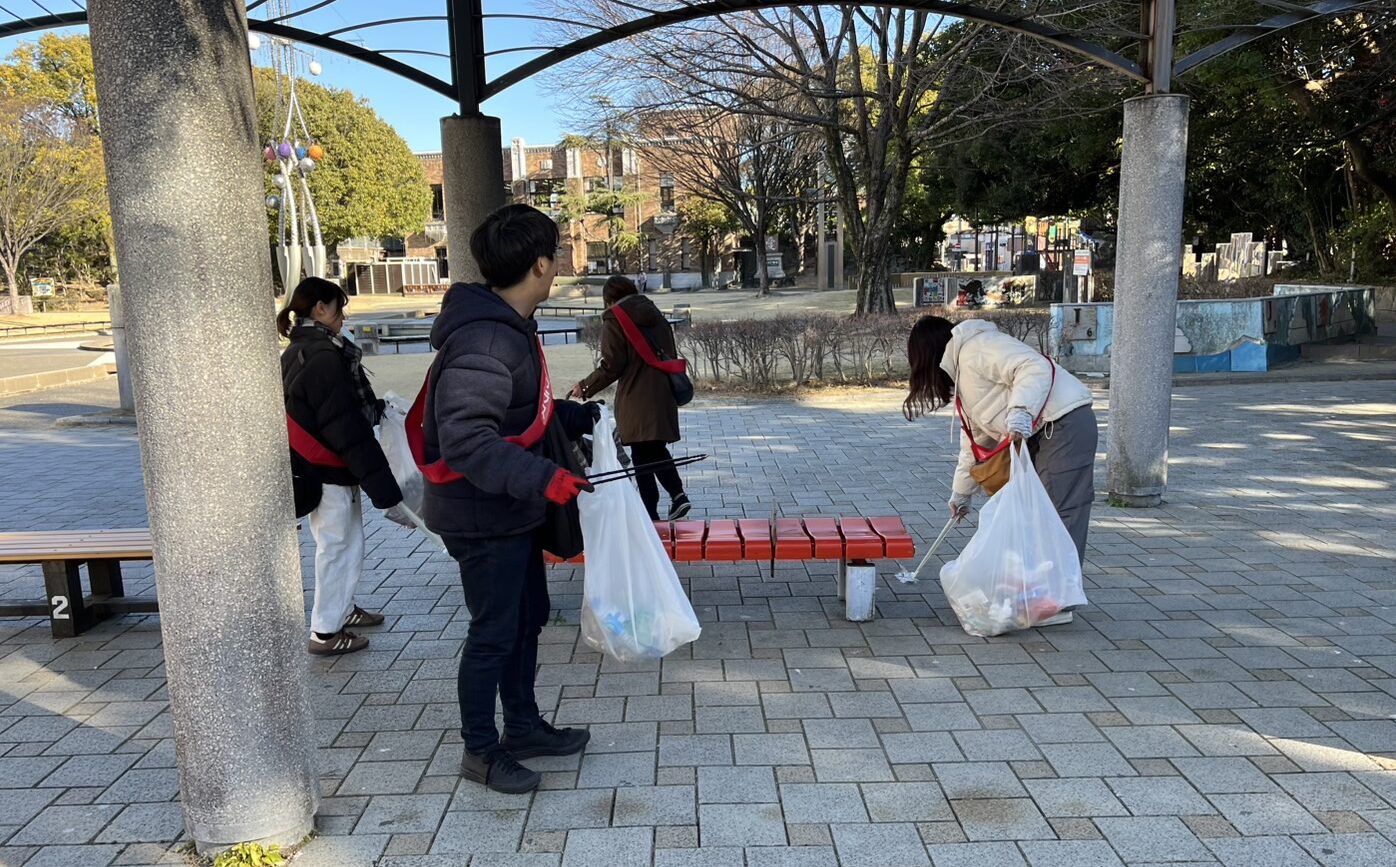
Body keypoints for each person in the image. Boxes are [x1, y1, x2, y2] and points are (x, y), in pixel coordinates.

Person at [420, 204, 598, 794]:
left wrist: (570, 416)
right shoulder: (488, 338)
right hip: (481, 516)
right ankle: (480, 750)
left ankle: (522, 727)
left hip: (509, 508)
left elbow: (514, 412)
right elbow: (467, 439)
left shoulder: (509, 324)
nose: (560, 263)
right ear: (541, 264)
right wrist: (546, 479)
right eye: (559, 252)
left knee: (526, 621)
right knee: (494, 632)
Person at [279, 277, 413, 656]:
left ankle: (341, 610)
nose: (343, 317)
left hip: (315, 464)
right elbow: (346, 427)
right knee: (339, 546)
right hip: (327, 468)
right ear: (319, 308)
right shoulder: (322, 357)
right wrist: (384, 488)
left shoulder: (301, 350)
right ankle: (325, 632)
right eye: (339, 309)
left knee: (342, 543)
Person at [903, 316, 1098, 568]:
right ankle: (1036, 591)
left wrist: (1020, 411)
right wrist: (961, 493)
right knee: (1032, 514)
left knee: (1057, 515)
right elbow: (975, 443)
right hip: (1041, 432)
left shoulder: (978, 347)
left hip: (1063, 423)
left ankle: (1057, 600)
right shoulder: (963, 376)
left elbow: (1032, 366)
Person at [570, 274, 691, 522]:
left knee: (646, 450)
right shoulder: (654, 313)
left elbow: (612, 365)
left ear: (609, 298)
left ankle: (674, 497)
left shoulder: (615, 318)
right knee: (647, 450)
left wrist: (585, 387)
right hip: (662, 391)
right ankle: (654, 509)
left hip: (637, 395)